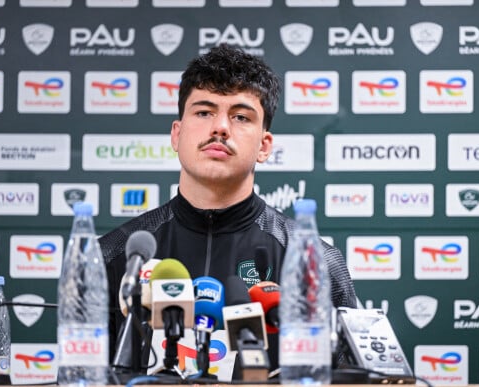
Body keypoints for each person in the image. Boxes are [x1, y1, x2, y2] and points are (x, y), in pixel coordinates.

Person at [99, 43, 356, 373]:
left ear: (264, 146)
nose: (220, 127)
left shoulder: (314, 261)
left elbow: (353, 377)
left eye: (240, 116)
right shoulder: (113, 255)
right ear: (177, 135)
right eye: (204, 112)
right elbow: (79, 376)